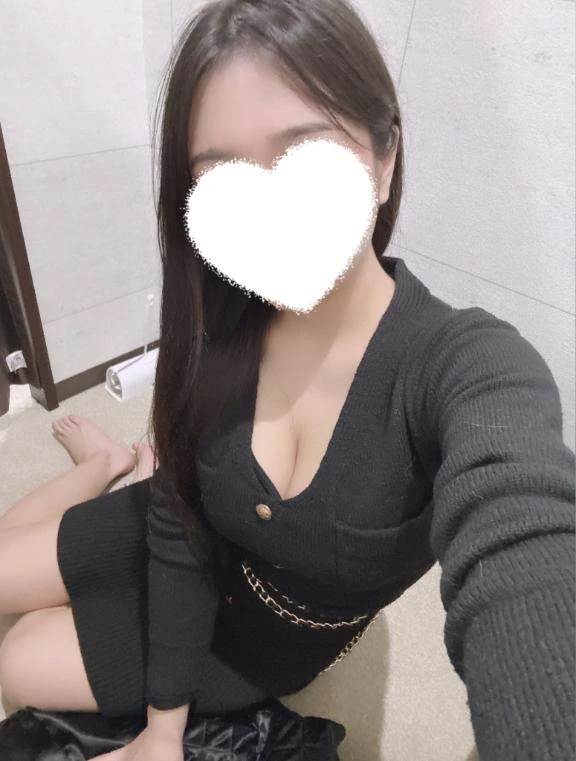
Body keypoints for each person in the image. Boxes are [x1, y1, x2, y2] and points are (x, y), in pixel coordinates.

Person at [0, 1, 574, 760]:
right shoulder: (219, 318)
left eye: (304, 152)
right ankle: (108, 464)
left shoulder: (467, 366)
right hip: (179, 531)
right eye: (222, 177)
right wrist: (163, 726)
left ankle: (117, 464)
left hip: (257, 638)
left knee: (19, 660)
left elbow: (529, 556)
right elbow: (179, 518)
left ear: (384, 161)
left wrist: (165, 730)